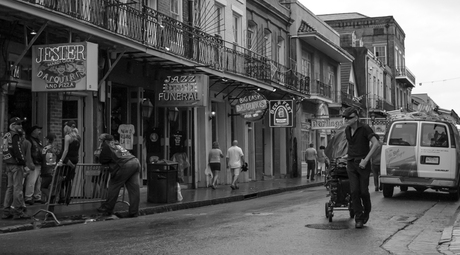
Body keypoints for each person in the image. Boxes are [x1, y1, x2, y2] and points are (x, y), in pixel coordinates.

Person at [342, 107, 379, 229]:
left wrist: (366, 159)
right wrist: (346, 155)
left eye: (349, 118)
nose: (347, 120)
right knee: (354, 191)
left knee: (363, 191)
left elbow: (376, 144)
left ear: (356, 118)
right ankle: (359, 217)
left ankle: (366, 211)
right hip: (351, 163)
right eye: (345, 118)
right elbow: (350, 145)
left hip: (363, 164)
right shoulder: (347, 130)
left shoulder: (364, 128)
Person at [96, 134, 140, 218]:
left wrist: (99, 150)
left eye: (100, 140)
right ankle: (134, 211)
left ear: (105, 141)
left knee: (114, 185)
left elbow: (102, 159)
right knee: (134, 189)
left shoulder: (106, 146)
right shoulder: (117, 145)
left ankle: (107, 208)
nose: (100, 142)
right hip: (135, 161)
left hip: (125, 165)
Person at [2, 117, 30, 220]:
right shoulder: (15, 135)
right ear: (13, 125)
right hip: (16, 164)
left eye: (21, 124)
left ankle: (6, 211)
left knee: (10, 188)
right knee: (17, 188)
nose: (21, 126)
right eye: (18, 124)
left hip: (8, 164)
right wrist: (23, 163)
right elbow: (17, 150)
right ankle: (18, 212)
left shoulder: (6, 135)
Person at [56, 120, 81, 204]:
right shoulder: (78, 137)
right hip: (75, 159)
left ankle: (62, 197)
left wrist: (61, 160)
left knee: (62, 178)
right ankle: (68, 197)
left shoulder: (67, 137)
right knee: (69, 179)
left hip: (67, 160)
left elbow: (66, 150)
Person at [24, 125, 44, 205]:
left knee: (38, 181)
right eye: (38, 130)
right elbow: (29, 153)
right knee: (31, 181)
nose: (40, 132)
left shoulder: (37, 140)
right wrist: (30, 162)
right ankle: (28, 197)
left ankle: (37, 196)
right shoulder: (29, 140)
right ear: (33, 131)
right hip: (33, 163)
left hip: (38, 162)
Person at [40, 133, 58, 204]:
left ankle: (50, 197)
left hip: (46, 170)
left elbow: (42, 157)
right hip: (54, 169)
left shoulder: (45, 148)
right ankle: (50, 201)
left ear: (48, 140)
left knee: (43, 187)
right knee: (50, 186)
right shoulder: (55, 148)